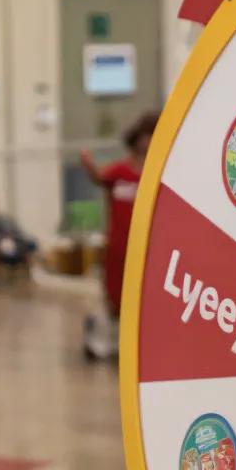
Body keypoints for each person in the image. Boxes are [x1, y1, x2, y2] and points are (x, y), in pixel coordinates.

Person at [79, 110, 156, 359]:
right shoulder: (120, 171)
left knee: (143, 298)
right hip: (118, 246)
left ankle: (136, 345)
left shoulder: (157, 173)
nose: (147, 142)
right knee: (114, 296)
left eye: (152, 135)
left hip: (146, 248)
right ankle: (108, 339)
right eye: (144, 135)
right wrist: (88, 163)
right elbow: (100, 178)